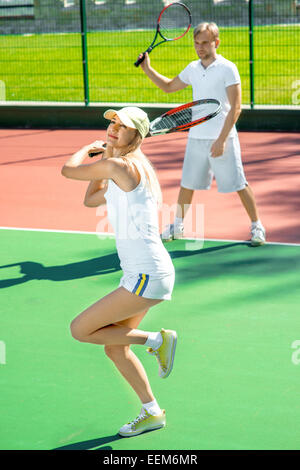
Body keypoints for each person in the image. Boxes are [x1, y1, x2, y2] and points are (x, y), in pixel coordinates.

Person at [61, 106, 177, 437]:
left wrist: (87, 152)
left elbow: (69, 171)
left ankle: (157, 339)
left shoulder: (121, 165)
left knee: (80, 330)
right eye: (112, 122)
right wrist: (106, 155)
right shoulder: (119, 168)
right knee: (115, 347)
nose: (113, 128)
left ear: (136, 136)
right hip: (142, 274)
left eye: (121, 126)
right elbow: (90, 199)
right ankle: (152, 412)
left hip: (146, 274)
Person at [138, 22, 266, 246]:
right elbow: (168, 86)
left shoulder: (228, 68)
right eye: (197, 43)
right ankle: (178, 226)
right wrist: (147, 69)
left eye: (205, 43)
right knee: (187, 184)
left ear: (216, 42)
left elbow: (236, 108)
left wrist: (221, 140)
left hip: (223, 138)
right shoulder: (192, 69)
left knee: (238, 184)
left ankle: (257, 227)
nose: (200, 47)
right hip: (196, 137)